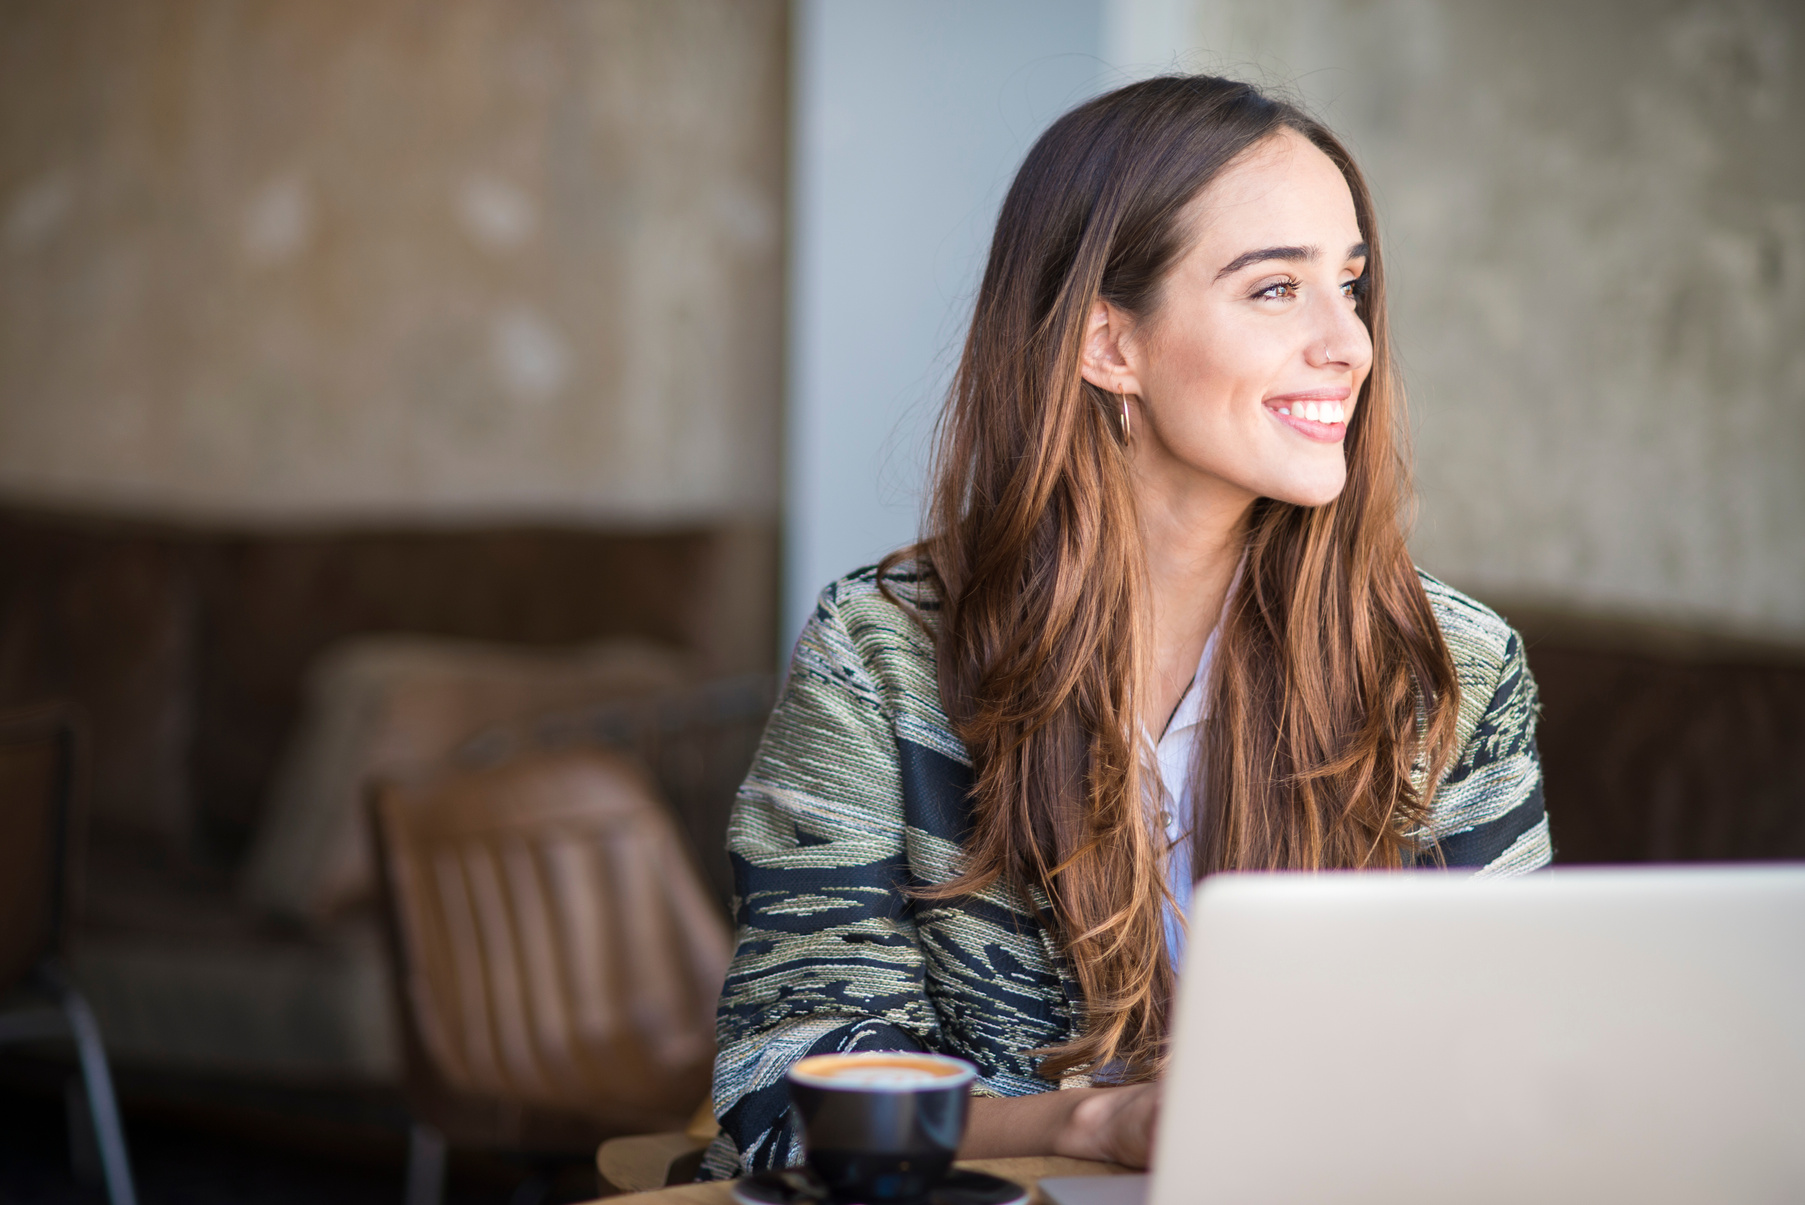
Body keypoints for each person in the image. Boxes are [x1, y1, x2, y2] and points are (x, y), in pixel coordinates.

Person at [700, 74, 1548, 1180]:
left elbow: (1511, 1058)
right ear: (1108, 342)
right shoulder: (881, 657)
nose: (1348, 344)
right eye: (1273, 291)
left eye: (1350, 284)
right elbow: (787, 1081)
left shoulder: (1448, 668)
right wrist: (1094, 1122)